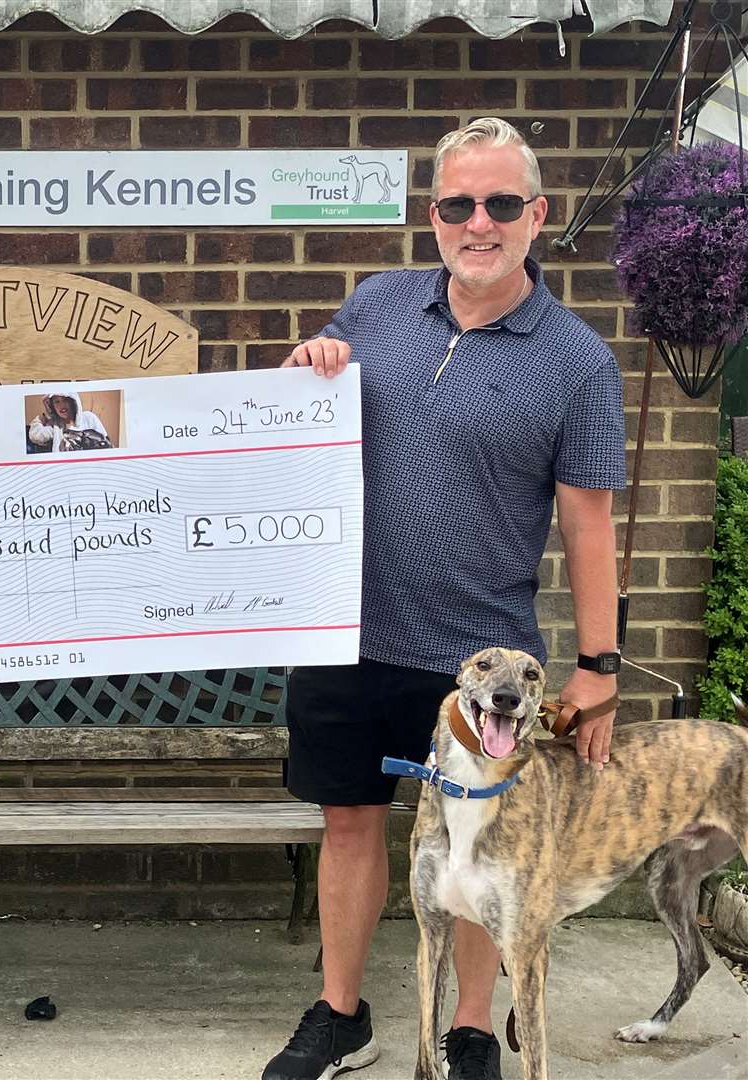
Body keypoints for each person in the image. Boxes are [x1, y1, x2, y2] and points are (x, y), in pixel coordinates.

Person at [264, 117, 625, 1080]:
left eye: (502, 203)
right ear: (433, 215)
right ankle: (341, 1015)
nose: (480, 222)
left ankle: (469, 1028)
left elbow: (590, 527)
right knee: (349, 821)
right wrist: (311, 367)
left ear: (537, 216)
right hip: (347, 630)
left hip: (478, 655)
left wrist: (599, 669)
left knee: (482, 843)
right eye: (459, 203)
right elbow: (299, 425)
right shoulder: (375, 306)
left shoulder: (579, 362)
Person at [28, 390, 113, 451]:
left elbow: (106, 444)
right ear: (52, 406)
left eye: (65, 400)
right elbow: (36, 436)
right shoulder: (55, 425)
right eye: (56, 402)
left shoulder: (89, 417)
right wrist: (41, 418)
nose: (61, 405)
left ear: (72, 401)